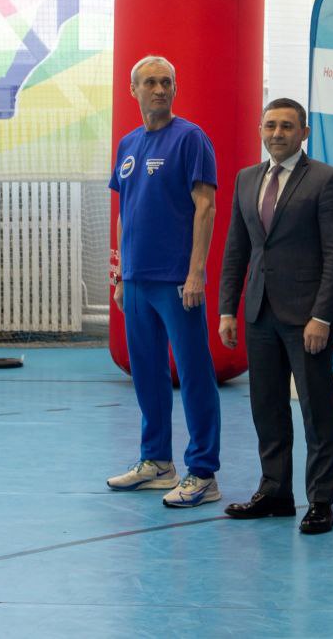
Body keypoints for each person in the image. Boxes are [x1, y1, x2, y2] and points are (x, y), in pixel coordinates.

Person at [218, 98, 333, 534]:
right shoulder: (246, 179)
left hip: (307, 318)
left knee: (317, 411)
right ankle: (275, 491)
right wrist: (227, 309)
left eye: (287, 126)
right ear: (261, 129)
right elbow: (237, 249)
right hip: (259, 313)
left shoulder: (327, 180)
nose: (277, 133)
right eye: (271, 125)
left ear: (304, 133)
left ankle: (321, 502)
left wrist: (323, 317)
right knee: (267, 407)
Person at [106, 55, 222, 508]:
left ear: (175, 89)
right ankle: (156, 462)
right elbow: (124, 212)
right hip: (136, 279)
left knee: (194, 374)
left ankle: (203, 472)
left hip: (176, 279)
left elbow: (205, 207)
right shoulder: (128, 144)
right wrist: (121, 274)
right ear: (133, 90)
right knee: (147, 374)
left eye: (166, 82)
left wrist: (196, 272)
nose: (159, 89)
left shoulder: (191, 138)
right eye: (150, 82)